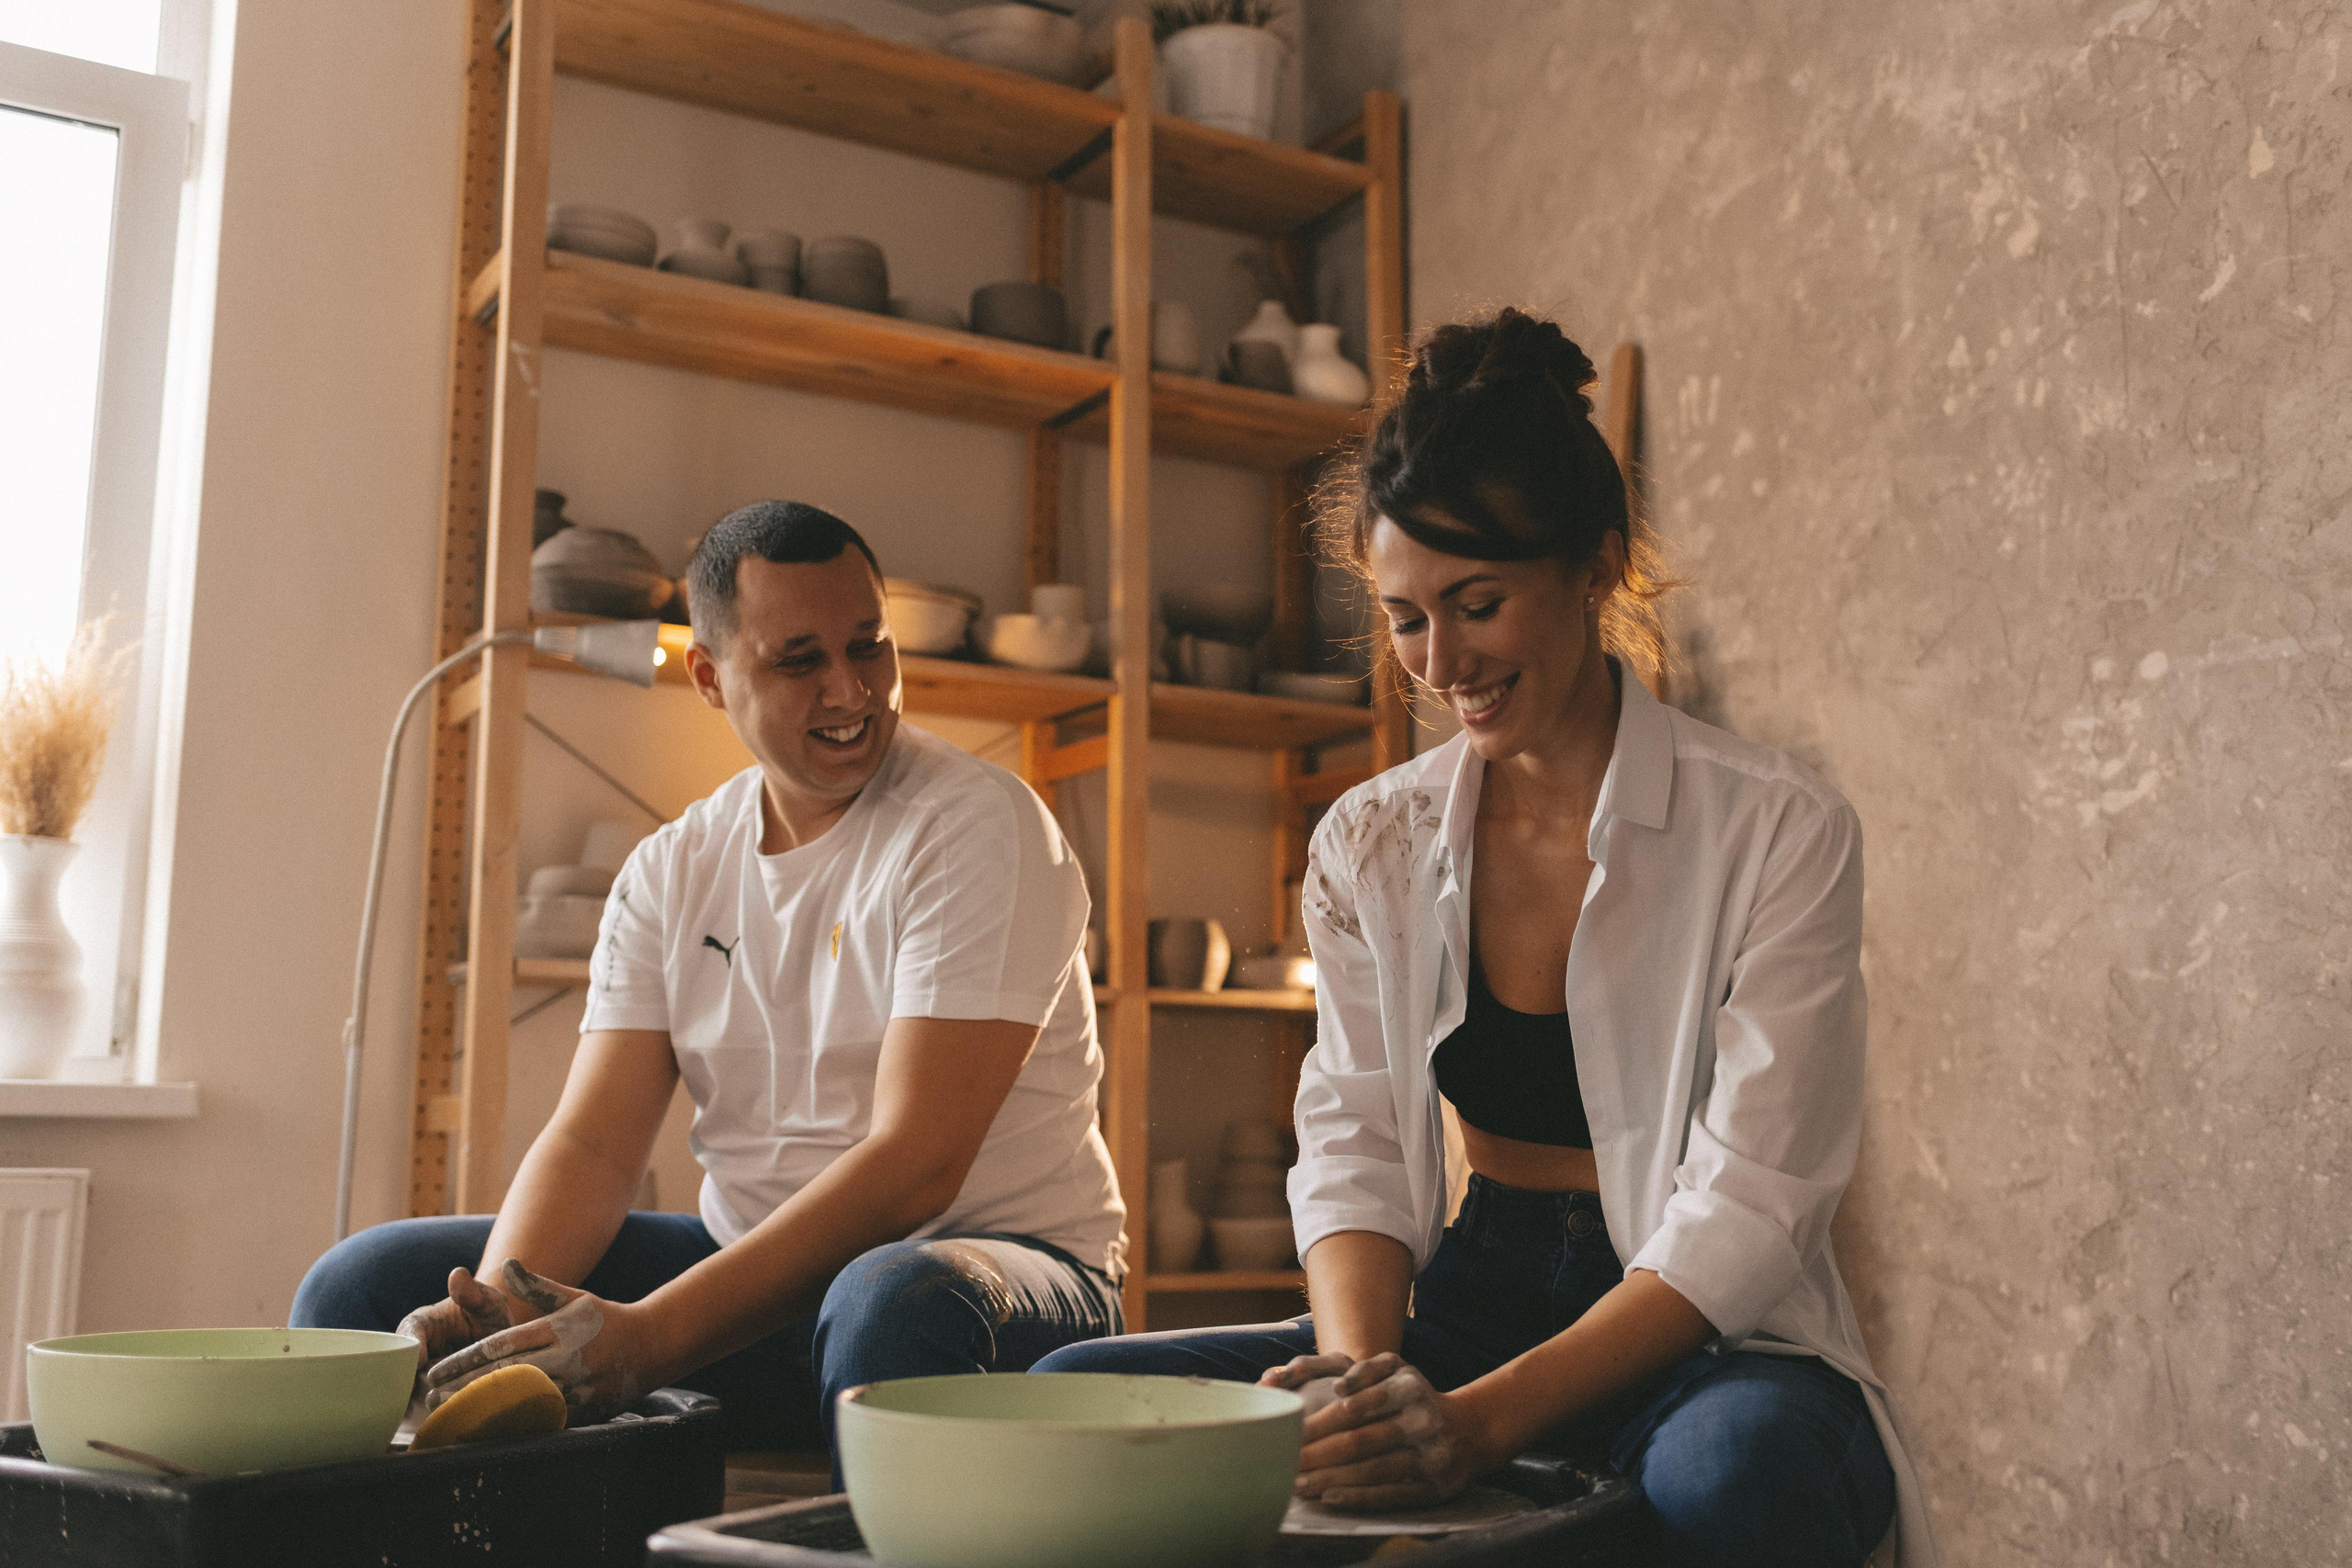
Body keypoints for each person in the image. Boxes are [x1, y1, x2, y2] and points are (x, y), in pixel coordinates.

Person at [1035, 310, 1934, 1567]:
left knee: (1735, 1474)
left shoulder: (1777, 828)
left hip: (1701, 1344)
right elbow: (1350, 1131)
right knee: (1076, 1392)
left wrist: (1469, 1428)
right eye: (1405, 617)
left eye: (1477, 603)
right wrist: (1362, 1385)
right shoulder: (1372, 842)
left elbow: (1750, 1211)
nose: (1441, 661)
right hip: (1469, 1302)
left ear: (1596, 568)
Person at [295, 501, 1125, 1461]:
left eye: (870, 647)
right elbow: (596, 1144)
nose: (852, 689)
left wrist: (652, 1339)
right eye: (800, 659)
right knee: (359, 1288)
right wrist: (497, 1316)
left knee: (892, 1298)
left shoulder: (977, 827)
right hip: (759, 1280)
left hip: (995, 1283)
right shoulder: (671, 868)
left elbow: (916, 1165)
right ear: (709, 676)